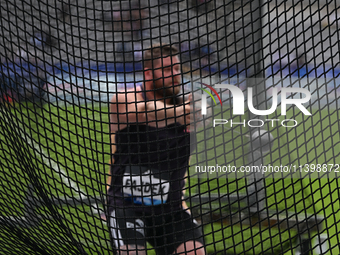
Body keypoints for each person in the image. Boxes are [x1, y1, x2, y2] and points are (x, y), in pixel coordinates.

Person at [107, 43, 205, 255]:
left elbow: (180, 159)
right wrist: (180, 113)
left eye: (177, 69)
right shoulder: (124, 99)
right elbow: (146, 112)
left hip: (170, 210)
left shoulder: (189, 107)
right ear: (148, 73)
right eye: (167, 70)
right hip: (128, 206)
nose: (175, 75)